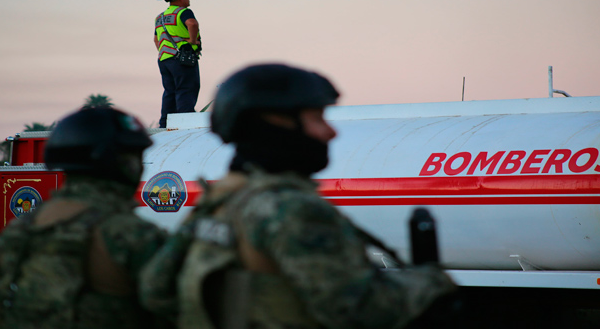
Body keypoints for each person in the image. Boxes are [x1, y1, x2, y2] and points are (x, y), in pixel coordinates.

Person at [140, 63, 457, 329]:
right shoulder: (293, 210)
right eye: (317, 118)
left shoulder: (217, 201)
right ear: (275, 122)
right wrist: (429, 282)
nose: (330, 132)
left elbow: (156, 290)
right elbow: (357, 310)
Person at [0, 107, 169, 329]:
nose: (139, 166)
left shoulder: (22, 229)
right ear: (110, 160)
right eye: (133, 156)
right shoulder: (133, 235)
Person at [155, 0, 202, 127]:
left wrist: (166, 52)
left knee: (170, 91)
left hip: (164, 59)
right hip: (182, 58)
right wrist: (193, 41)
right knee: (187, 87)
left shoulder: (160, 17)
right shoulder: (184, 12)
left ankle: (165, 124)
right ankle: (185, 120)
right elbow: (192, 24)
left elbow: (156, 39)